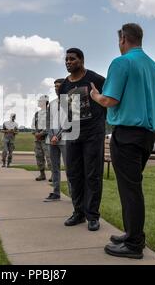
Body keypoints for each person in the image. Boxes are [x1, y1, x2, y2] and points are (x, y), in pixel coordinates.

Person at [90, 23, 155, 259]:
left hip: (128, 134)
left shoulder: (121, 62)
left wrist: (95, 95)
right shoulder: (153, 67)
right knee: (132, 187)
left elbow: (109, 99)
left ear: (123, 39)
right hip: (147, 135)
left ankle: (133, 244)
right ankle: (132, 233)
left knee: (130, 190)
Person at [59, 48, 106, 232]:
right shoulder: (64, 85)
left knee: (92, 175)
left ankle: (92, 216)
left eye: (72, 59)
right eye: (66, 59)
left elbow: (107, 100)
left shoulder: (96, 79)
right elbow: (65, 110)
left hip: (93, 134)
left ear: (82, 60)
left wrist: (100, 119)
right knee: (74, 175)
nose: (68, 62)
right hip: (73, 134)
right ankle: (78, 212)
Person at [44, 79, 69, 202]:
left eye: (59, 86)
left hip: (65, 139)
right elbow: (48, 122)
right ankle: (56, 192)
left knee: (69, 168)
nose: (57, 88)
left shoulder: (70, 102)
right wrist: (51, 135)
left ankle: (74, 195)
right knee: (54, 167)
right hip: (51, 140)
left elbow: (70, 122)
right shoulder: (52, 103)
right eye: (55, 86)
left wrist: (58, 135)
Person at [31, 95, 52, 181]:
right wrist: (35, 133)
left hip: (46, 138)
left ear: (44, 102)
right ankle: (42, 174)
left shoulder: (50, 113)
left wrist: (42, 133)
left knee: (49, 157)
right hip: (37, 138)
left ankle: (53, 175)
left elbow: (50, 125)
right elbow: (32, 125)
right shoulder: (37, 114)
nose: (38, 102)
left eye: (40, 101)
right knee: (39, 156)